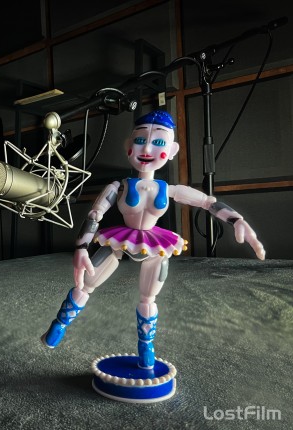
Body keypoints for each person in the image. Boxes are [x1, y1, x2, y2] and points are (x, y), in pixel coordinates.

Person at [41, 110, 265, 369]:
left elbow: (207, 202)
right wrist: (81, 247)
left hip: (154, 245)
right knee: (86, 283)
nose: (147, 148)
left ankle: (146, 346)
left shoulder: (168, 189)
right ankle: (59, 324)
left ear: (172, 150)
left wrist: (237, 220)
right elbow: (95, 214)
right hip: (120, 240)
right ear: (128, 146)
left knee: (149, 298)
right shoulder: (119, 186)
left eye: (158, 142)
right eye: (140, 140)